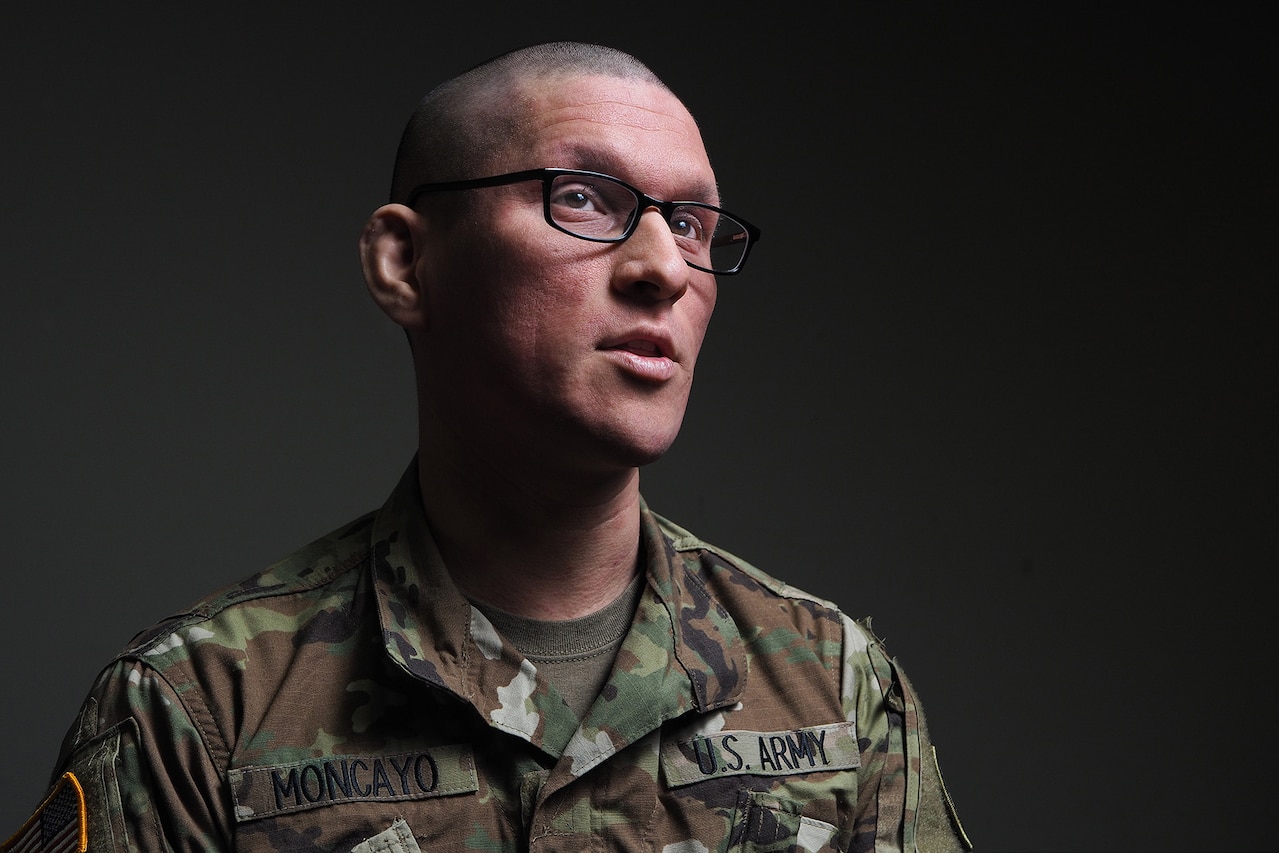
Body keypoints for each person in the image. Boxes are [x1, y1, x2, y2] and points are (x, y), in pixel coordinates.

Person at [6, 42, 970, 852]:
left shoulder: (836, 685)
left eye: (690, 223)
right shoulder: (199, 707)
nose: (663, 269)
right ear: (406, 262)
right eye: (584, 198)